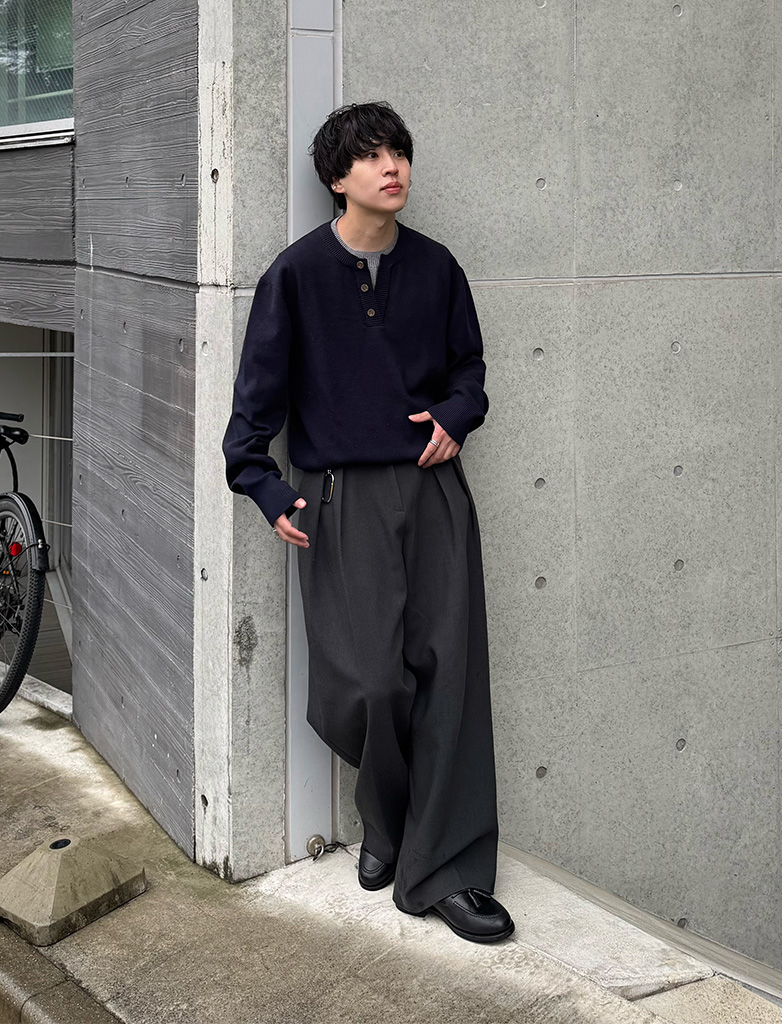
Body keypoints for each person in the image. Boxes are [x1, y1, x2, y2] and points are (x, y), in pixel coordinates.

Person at [222, 101, 514, 944]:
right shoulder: (295, 276)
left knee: (450, 682)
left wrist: (457, 415)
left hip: (434, 492)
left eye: (400, 153)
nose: (393, 167)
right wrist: (267, 490)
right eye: (373, 155)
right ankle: (385, 819)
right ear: (336, 176)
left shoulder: (438, 267)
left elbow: (469, 371)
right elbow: (251, 419)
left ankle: (445, 870)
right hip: (338, 497)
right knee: (371, 685)